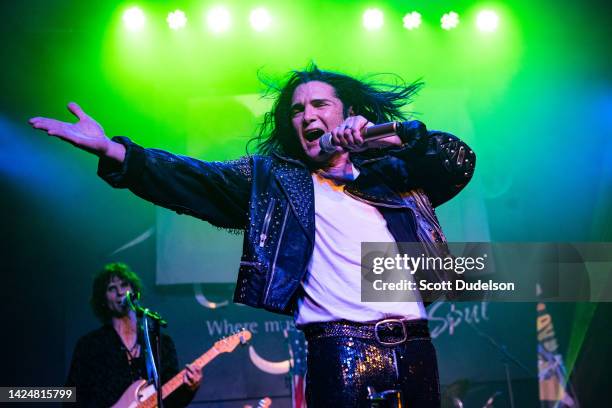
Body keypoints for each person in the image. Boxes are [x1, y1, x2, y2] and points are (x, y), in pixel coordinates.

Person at [32, 65, 475, 407]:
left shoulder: (391, 177)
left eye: (320, 105)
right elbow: (194, 179)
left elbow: (457, 162)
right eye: (297, 110)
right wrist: (114, 150)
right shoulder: (278, 182)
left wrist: (387, 143)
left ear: (348, 113)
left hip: (416, 349)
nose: (307, 115)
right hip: (342, 352)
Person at [64, 262, 202, 407]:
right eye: (112, 288)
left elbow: (170, 401)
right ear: (103, 299)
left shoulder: (159, 343)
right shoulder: (90, 345)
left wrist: (190, 388)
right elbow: (71, 396)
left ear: (134, 290)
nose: (120, 292)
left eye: (124, 285)